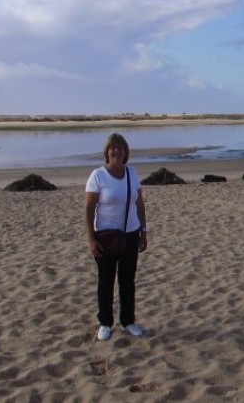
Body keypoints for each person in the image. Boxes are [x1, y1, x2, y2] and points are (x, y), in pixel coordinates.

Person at [84, 133, 148, 341]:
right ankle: (105, 323)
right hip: (106, 236)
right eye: (113, 147)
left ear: (126, 152)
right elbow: (89, 209)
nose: (117, 151)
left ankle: (128, 321)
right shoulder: (98, 176)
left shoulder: (132, 173)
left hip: (130, 234)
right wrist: (91, 239)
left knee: (127, 280)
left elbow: (139, 204)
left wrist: (143, 231)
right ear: (107, 152)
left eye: (121, 147)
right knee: (106, 281)